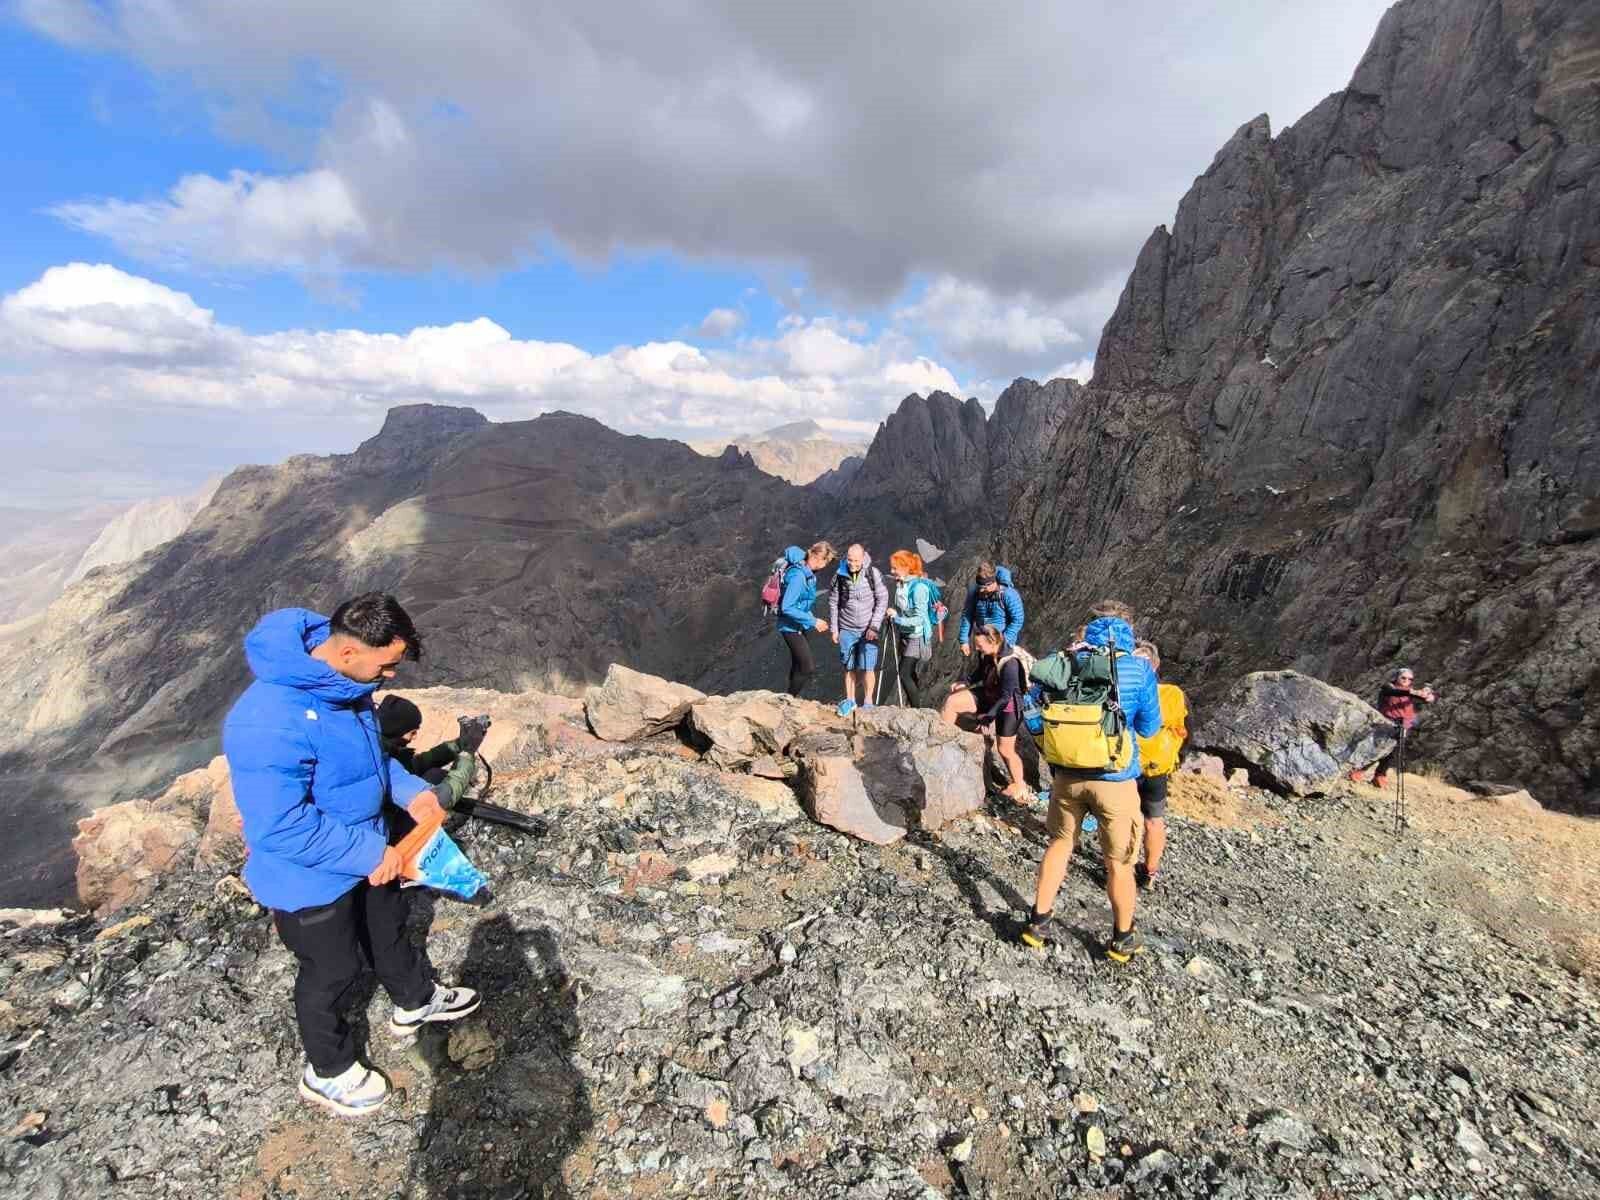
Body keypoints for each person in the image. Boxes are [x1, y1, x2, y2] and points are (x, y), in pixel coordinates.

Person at [223, 593, 482, 1118]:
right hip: (310, 876)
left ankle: (415, 1001)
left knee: (389, 929)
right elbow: (281, 825)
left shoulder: (347, 686)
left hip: (369, 851)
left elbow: (371, 764)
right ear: (346, 653)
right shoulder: (268, 720)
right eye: (386, 665)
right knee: (332, 968)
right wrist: (369, 852)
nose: (389, 676)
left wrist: (412, 791)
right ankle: (328, 1070)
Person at [1020, 604, 1161, 962]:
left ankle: (1038, 923)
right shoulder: (1139, 669)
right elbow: (1148, 728)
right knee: (1119, 862)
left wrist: (1046, 743)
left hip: (1066, 775)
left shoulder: (1066, 661)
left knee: (1060, 843)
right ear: (1129, 631)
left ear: (1092, 629)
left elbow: (1032, 706)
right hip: (1115, 780)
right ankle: (1122, 939)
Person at [942, 623, 1032, 803]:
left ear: (993, 642)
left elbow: (1007, 696)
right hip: (990, 693)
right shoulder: (987, 654)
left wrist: (988, 718)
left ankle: (1020, 786)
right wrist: (965, 682)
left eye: (980, 645)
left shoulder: (1010, 664)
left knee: (1005, 749)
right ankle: (942, 740)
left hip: (1009, 706)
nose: (977, 648)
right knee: (952, 702)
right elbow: (979, 673)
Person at [1132, 640, 1187, 890]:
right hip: (1158, 767)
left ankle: (1123, 866)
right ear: (1156, 665)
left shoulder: (1127, 689)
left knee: (1127, 818)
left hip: (1128, 765)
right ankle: (1150, 871)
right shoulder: (1173, 694)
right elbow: (1183, 729)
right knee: (1154, 820)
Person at [375, 695, 483, 810]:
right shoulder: (384, 765)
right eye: (412, 732)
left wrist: (460, 744)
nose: (415, 737)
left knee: (435, 774)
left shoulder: (380, 749)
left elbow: (418, 764)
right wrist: (467, 753)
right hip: (392, 823)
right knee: (437, 778)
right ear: (396, 730)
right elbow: (438, 800)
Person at [828, 543, 889, 716]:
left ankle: (868, 703)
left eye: (856, 560)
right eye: (849, 560)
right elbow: (833, 602)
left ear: (863, 558)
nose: (852, 564)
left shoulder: (872, 574)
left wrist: (874, 626)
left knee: (868, 667)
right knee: (849, 667)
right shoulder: (839, 576)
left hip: (868, 629)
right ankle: (850, 701)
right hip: (846, 628)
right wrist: (834, 629)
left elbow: (882, 599)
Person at [1351, 667, 1435, 788]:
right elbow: (1395, 692)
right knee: (1377, 748)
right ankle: (1359, 770)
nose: (1406, 680)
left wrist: (1429, 696)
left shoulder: (1410, 692)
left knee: (1393, 752)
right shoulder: (1388, 687)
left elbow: (1429, 698)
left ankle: (1380, 775)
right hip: (1387, 723)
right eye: (1403, 677)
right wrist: (1414, 692)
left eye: (1409, 679)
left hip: (1404, 725)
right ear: (1397, 677)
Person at [774, 542, 835, 697]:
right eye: (825, 562)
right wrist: (813, 621)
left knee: (798, 664)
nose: (825, 566)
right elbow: (787, 607)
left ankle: (790, 697)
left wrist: (810, 619)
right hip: (790, 627)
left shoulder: (807, 572)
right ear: (819, 559)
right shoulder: (799, 576)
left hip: (800, 625)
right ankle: (789, 699)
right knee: (807, 667)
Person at [886, 549, 936, 707]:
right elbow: (905, 609)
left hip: (917, 635)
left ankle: (917, 709)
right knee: (909, 672)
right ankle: (913, 705)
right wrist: (895, 612)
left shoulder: (919, 588)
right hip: (906, 634)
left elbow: (920, 619)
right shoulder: (902, 584)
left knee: (904, 673)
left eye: (895, 568)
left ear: (907, 567)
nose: (892, 571)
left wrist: (898, 619)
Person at [958, 562, 1024, 657]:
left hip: (1004, 647)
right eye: (979, 587)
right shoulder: (975, 593)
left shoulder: (1009, 595)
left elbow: (1017, 621)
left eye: (984, 587)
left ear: (992, 583)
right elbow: (968, 615)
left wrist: (1001, 642)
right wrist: (963, 640)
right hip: (984, 644)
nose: (981, 590)